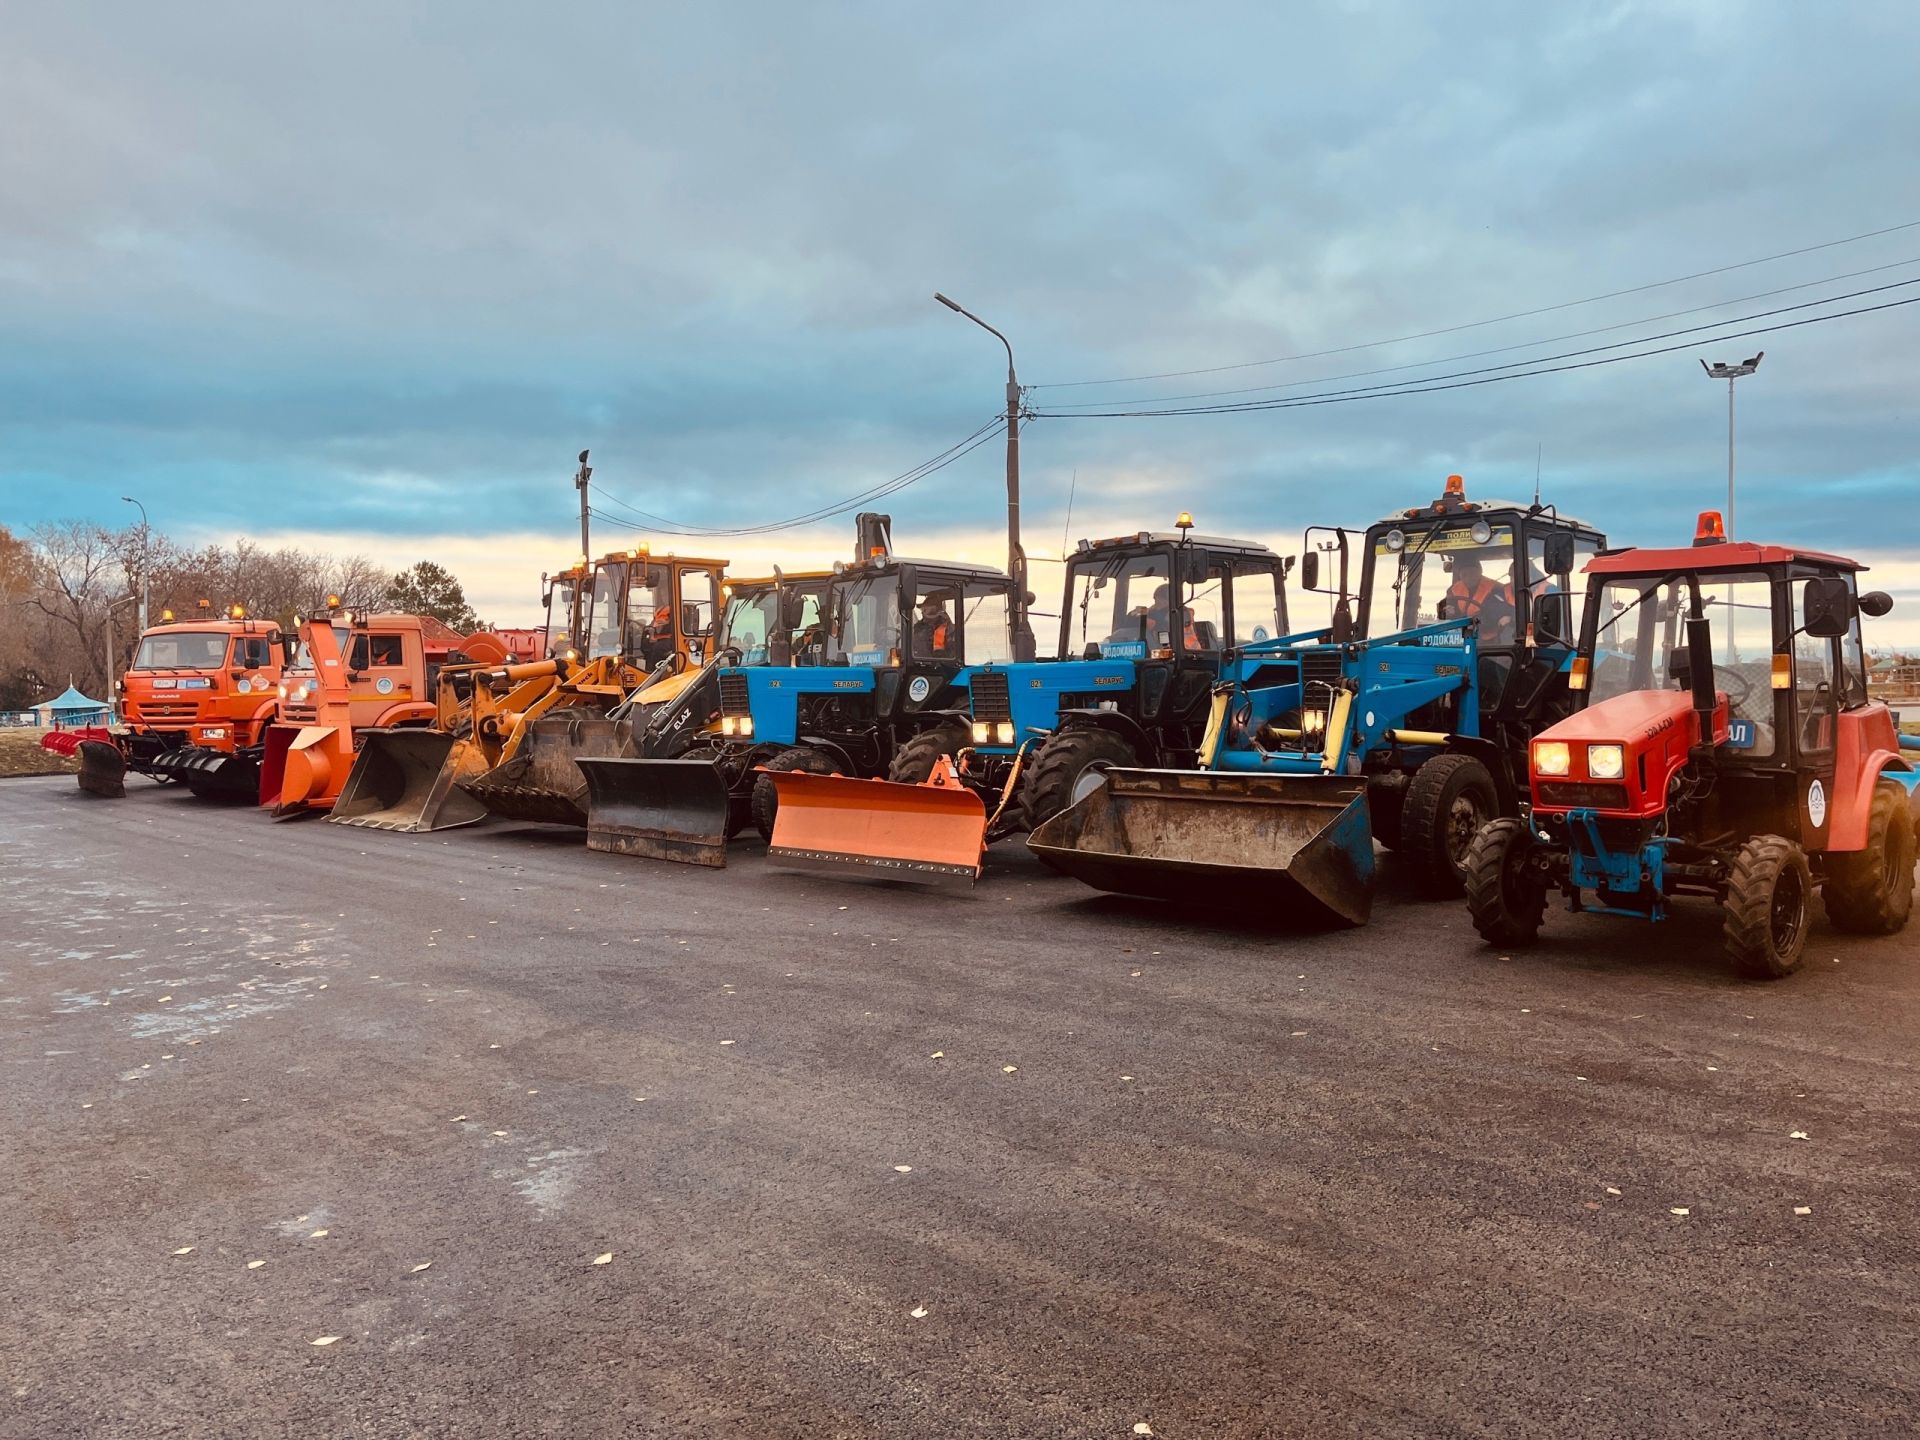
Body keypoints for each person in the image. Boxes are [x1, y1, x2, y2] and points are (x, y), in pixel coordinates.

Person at [1442, 555, 1516, 642]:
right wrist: (1448, 612)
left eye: (1472, 573)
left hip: (1491, 638)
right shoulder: (1453, 590)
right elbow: (1446, 607)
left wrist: (1480, 620)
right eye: (1464, 574)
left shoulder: (1495, 588)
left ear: (1480, 572)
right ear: (1459, 575)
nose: (1469, 578)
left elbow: (1501, 611)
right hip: (1461, 635)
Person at [1144, 583, 1201, 649]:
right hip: (1170, 650)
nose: (1155, 603)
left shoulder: (1181, 612)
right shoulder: (1158, 611)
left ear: (1167, 600)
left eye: (1157, 600)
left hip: (1187, 652)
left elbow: (1163, 621)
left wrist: (1147, 613)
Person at [913, 593, 956, 657]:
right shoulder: (918, 626)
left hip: (938, 665)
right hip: (916, 663)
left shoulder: (947, 629)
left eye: (925, 609)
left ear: (935, 610)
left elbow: (950, 656)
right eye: (922, 609)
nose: (922, 612)